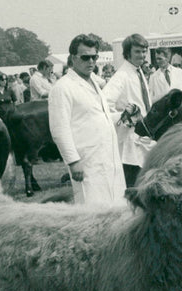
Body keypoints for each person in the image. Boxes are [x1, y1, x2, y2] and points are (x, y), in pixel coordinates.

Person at [48, 34, 125, 206]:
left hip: (108, 156)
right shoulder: (62, 88)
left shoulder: (95, 83)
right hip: (86, 161)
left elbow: (99, 117)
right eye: (85, 57)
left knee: (115, 206)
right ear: (73, 58)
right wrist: (73, 161)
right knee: (92, 209)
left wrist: (122, 116)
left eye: (94, 57)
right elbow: (59, 129)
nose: (91, 61)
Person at [101, 33, 155, 188]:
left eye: (144, 51)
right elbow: (104, 102)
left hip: (144, 136)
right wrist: (123, 117)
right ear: (127, 53)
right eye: (137, 51)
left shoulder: (138, 72)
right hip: (130, 141)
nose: (142, 55)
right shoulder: (122, 75)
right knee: (132, 185)